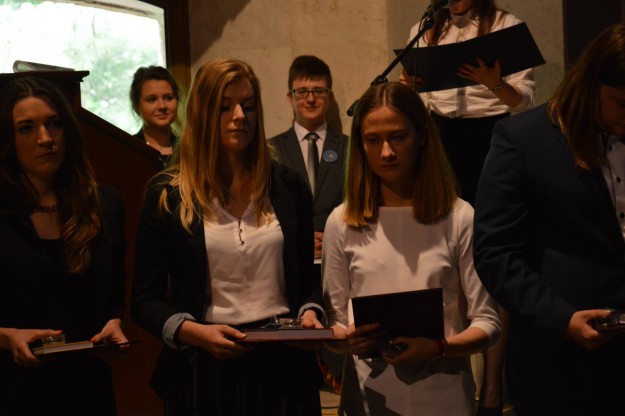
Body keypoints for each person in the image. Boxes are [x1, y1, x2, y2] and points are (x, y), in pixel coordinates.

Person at [131, 57, 325, 416]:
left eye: (248, 106)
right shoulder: (168, 194)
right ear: (202, 112)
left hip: (283, 365)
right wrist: (193, 332)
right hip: (205, 368)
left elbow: (309, 282)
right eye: (225, 107)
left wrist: (310, 313)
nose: (239, 116)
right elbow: (144, 300)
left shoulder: (287, 186)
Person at [473, 22, 625, 416]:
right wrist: (562, 319)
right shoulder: (522, 138)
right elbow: (495, 254)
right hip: (560, 367)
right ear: (590, 83)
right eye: (622, 103)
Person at [322, 81, 501, 415]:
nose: (386, 152)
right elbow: (334, 324)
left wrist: (437, 347)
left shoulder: (458, 217)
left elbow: (488, 323)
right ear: (360, 145)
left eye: (397, 137)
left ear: (421, 136)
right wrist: (345, 340)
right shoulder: (342, 222)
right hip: (369, 396)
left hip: (443, 394)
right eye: (373, 140)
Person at [0, 77, 128, 414]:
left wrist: (114, 324)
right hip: (14, 388)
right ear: (8, 139)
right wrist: (7, 337)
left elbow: (115, 296)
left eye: (54, 124)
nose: (45, 138)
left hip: (89, 387)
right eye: (26, 128)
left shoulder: (104, 203)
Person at [400, 0, 535, 205]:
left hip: (489, 132)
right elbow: (421, 101)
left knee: (488, 206)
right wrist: (410, 86)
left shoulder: (506, 25)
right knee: (444, 208)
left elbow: (525, 101)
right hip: (440, 132)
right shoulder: (425, 29)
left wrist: (495, 84)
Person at [268, 54, 348, 392]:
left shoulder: (350, 147)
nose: (310, 98)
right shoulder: (271, 149)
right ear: (289, 97)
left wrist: (331, 238)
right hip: (292, 266)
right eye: (302, 92)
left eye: (318, 91)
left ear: (329, 96)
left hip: (339, 262)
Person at [129, 65, 182, 168]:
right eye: (152, 99)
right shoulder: (128, 149)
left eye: (168, 98)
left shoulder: (189, 150)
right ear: (136, 106)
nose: (162, 106)